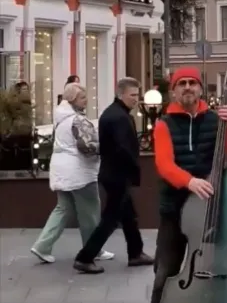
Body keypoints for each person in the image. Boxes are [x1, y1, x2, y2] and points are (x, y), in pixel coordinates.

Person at [137, 67, 227, 303]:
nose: (187, 88)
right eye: (181, 84)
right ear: (173, 91)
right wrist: (190, 181)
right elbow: (165, 165)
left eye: (192, 83)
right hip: (176, 211)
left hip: (212, 210)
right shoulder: (164, 124)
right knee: (164, 275)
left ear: (199, 89)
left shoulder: (215, 119)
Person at [73, 77, 153, 274]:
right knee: (110, 219)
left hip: (113, 174)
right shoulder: (118, 117)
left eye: (137, 94)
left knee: (129, 216)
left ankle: (136, 253)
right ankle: (85, 257)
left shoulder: (116, 113)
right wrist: (134, 169)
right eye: (132, 95)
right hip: (117, 176)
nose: (136, 99)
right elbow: (124, 149)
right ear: (121, 94)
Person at [30, 83, 114, 263]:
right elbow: (87, 146)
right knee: (90, 212)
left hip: (61, 169)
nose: (86, 100)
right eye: (83, 97)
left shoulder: (60, 119)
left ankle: (42, 246)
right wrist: (107, 147)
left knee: (62, 209)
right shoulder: (78, 120)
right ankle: (93, 250)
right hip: (80, 172)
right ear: (72, 99)